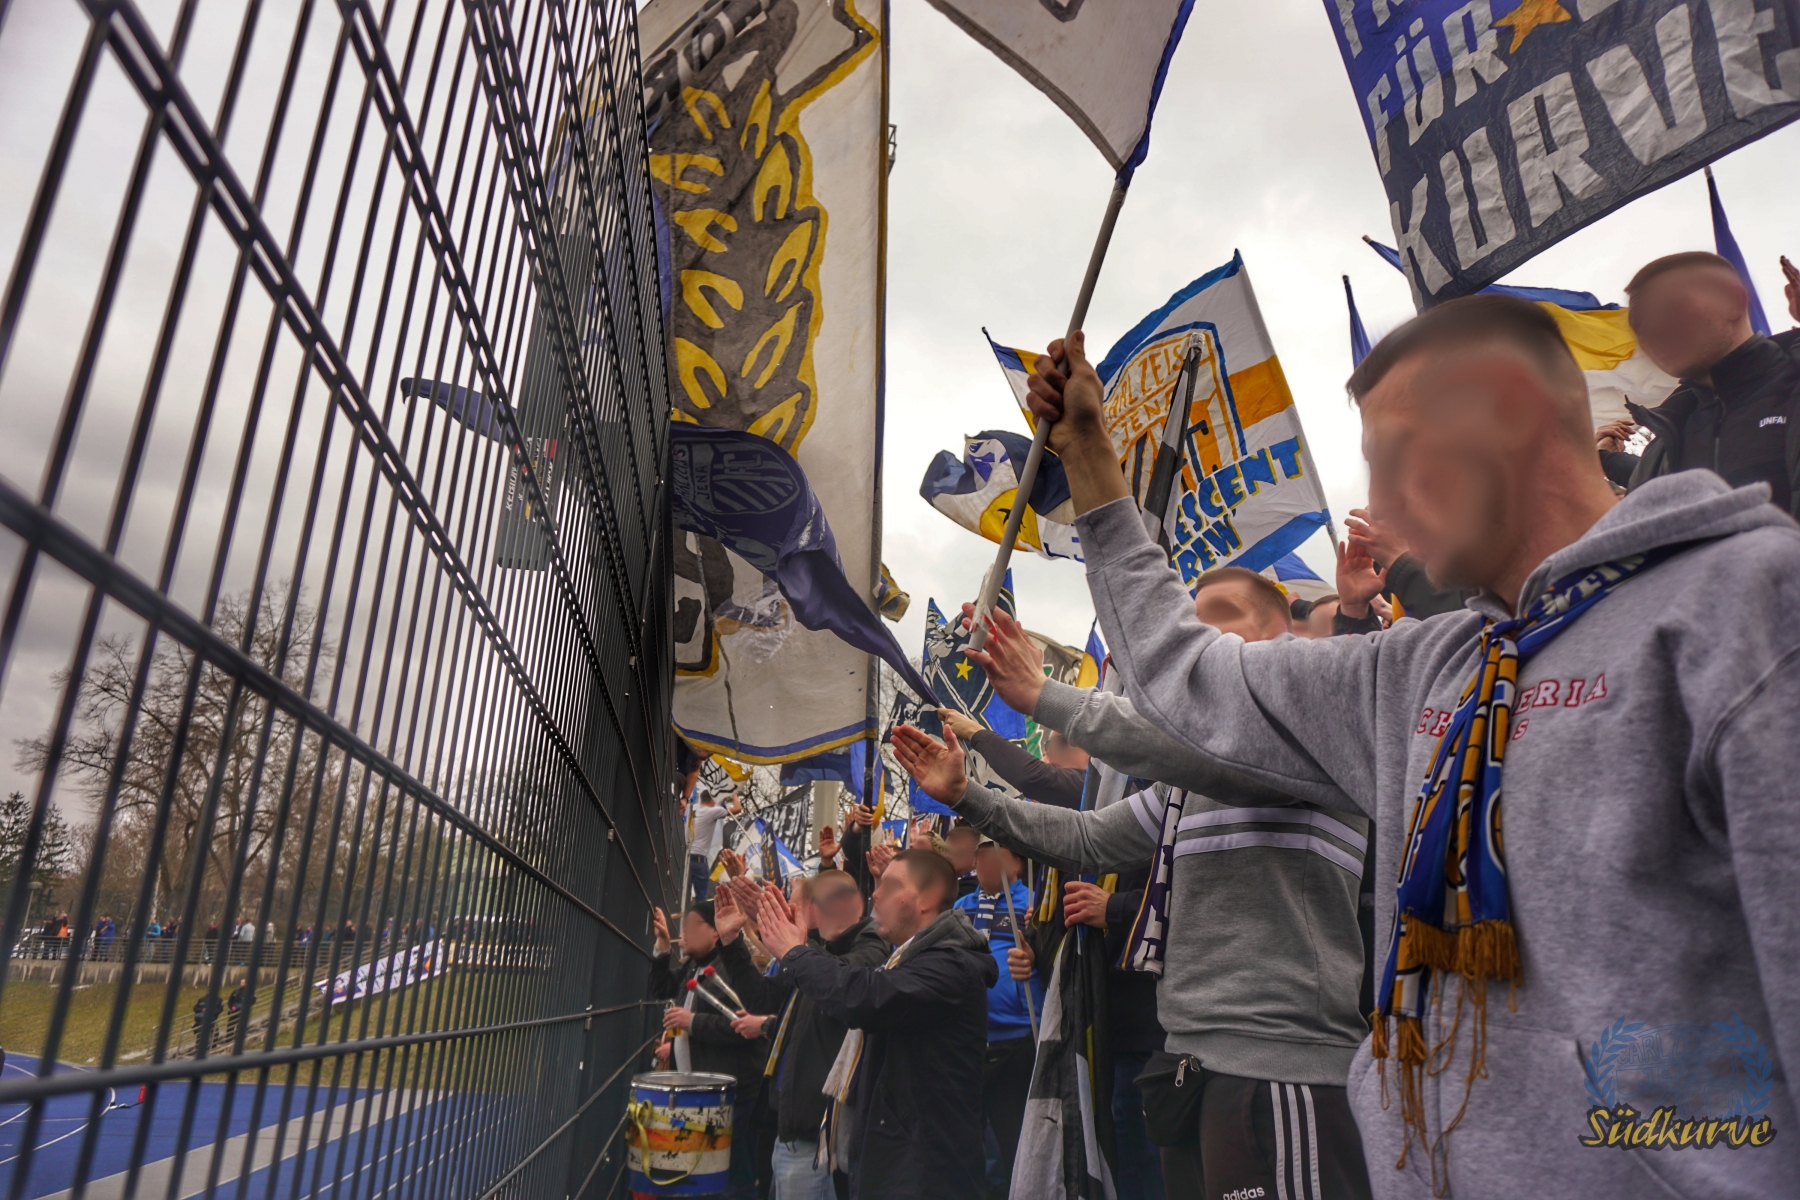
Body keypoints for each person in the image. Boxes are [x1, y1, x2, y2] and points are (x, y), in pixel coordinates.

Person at [1003, 299, 1800, 1197]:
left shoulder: (1749, 608)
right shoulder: (1419, 669)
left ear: (1510, 417)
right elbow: (1187, 676)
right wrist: (1091, 460)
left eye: (1396, 460)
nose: (1378, 507)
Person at [898, 564, 1372, 1200]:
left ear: (1279, 636)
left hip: (1281, 1072)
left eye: (1218, 619)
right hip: (1190, 1068)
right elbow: (1089, 838)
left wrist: (1043, 695)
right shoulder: (1186, 781)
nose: (1193, 643)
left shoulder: (1314, 726)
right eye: (1188, 625)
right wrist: (968, 796)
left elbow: (1191, 745)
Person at [749, 849, 994, 1200]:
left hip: (925, 1174)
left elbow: (865, 997)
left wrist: (796, 953)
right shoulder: (907, 962)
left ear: (927, 899)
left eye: (891, 886)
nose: (876, 894)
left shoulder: (952, 965)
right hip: (897, 1164)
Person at [713, 872, 889, 1200]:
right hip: (786, 1129)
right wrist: (731, 940)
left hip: (817, 1138)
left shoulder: (870, 946)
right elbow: (762, 998)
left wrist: (797, 947)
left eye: (791, 907)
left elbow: (842, 984)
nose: (784, 915)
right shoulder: (811, 954)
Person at [1600, 251, 1800, 515]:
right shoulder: (1665, 439)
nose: (1649, 330)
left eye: (1669, 309)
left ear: (1734, 301)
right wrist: (1603, 457)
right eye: (1637, 325)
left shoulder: (1791, 387)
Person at [649, 899, 767, 1198]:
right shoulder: (693, 966)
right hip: (699, 1096)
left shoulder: (735, 971)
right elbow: (661, 989)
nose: (684, 934)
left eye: (692, 926)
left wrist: (692, 1022)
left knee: (733, 1180)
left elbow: (748, 1028)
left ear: (716, 931)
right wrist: (662, 945)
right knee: (703, 1179)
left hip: (732, 1098)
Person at [952, 839, 1044, 1199]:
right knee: (965, 1141)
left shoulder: (1032, 905)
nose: (985, 862)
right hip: (970, 1041)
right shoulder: (961, 908)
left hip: (1019, 1040)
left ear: (1017, 863)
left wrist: (1036, 949)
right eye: (980, 855)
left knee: (1013, 1140)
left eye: (995, 854)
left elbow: (1050, 958)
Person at [939, 709, 1087, 808]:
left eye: (1062, 742)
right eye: (1046, 749)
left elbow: (1032, 778)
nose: (1043, 761)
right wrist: (959, 790)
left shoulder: (1096, 792)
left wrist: (974, 732)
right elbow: (1003, 815)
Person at [688, 790, 730, 901]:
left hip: (685, 857)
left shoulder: (691, 808)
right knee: (701, 896)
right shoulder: (712, 811)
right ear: (712, 801)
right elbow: (737, 809)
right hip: (699, 859)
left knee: (683, 892)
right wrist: (734, 795)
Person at [942, 825, 980, 899]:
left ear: (975, 859)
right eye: (945, 850)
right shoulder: (951, 882)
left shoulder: (971, 889)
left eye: (954, 853)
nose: (945, 856)